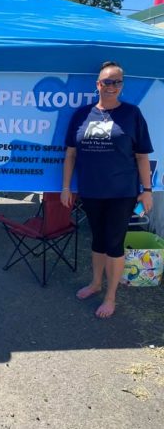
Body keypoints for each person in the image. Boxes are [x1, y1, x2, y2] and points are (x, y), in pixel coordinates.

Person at [61, 61, 153, 318]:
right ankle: (95, 283)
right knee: (98, 240)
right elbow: (70, 154)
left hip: (121, 192)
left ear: (122, 86)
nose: (111, 86)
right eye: (106, 81)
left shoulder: (132, 114)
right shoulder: (81, 114)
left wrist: (147, 189)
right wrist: (66, 186)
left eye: (117, 81)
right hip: (91, 191)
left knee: (114, 243)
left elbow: (142, 156)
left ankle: (110, 296)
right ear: (97, 84)